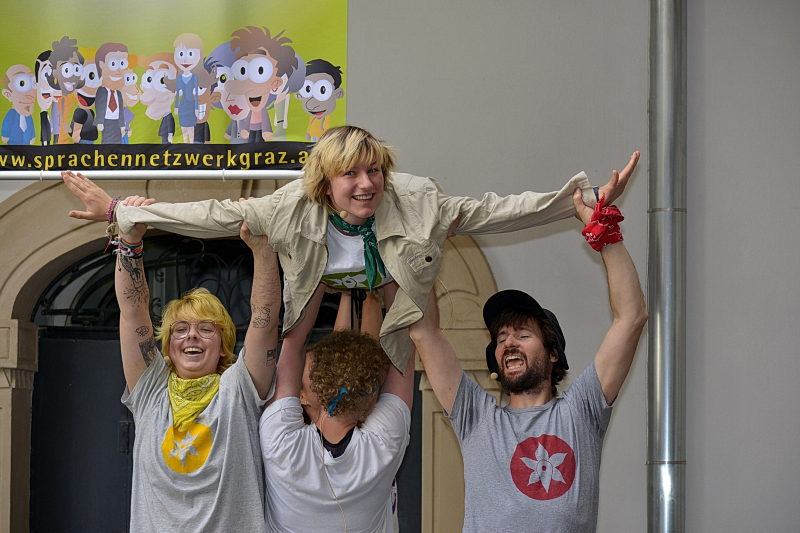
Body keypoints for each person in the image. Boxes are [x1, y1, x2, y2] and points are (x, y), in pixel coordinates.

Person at [61, 125, 638, 375]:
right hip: (318, 278)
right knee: (292, 345)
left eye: (374, 171)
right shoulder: (288, 207)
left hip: (386, 275)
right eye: (351, 175)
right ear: (325, 183)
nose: (367, 184)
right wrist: (122, 213)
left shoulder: (418, 202)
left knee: (404, 340)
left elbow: (494, 210)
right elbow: (213, 215)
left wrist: (575, 201)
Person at [407, 187, 648, 532]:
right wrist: (426, 247)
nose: (508, 343)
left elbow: (631, 318)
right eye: (501, 338)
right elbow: (425, 334)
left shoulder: (580, 412)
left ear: (553, 354)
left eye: (522, 335)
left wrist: (604, 233)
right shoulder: (476, 417)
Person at [110, 195, 280, 531]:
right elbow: (133, 313)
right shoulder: (151, 392)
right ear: (168, 345)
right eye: (181, 329)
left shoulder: (238, 389)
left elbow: (265, 318)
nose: (191, 336)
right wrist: (129, 240)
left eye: (206, 329)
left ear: (223, 346)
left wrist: (263, 250)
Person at [259, 285, 414, 532]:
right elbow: (400, 353)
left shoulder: (281, 444)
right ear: (373, 394)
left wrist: (314, 277)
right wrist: (388, 278)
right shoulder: (383, 445)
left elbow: (294, 344)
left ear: (318, 384)